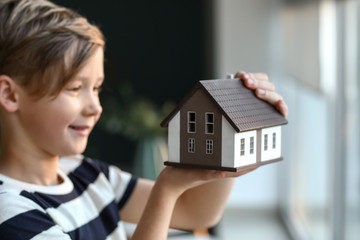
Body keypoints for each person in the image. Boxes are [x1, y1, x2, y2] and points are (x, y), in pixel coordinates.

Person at [0, 0, 288, 239]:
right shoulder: (13, 214)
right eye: (74, 88)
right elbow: (176, 201)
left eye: (97, 87)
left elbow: (195, 211)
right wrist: (166, 188)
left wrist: (231, 137)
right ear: (10, 95)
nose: (95, 107)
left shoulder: (87, 174)